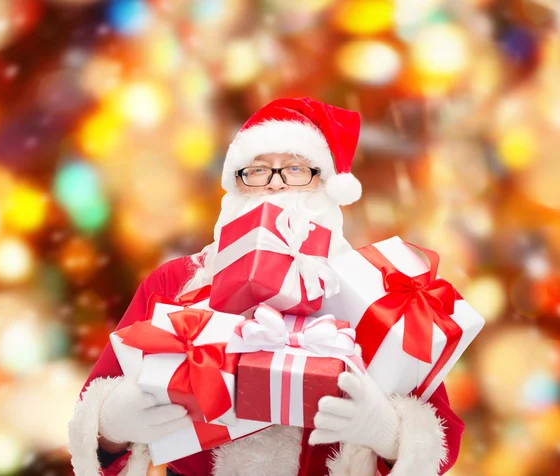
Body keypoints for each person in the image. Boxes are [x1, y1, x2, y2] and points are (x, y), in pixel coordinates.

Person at [68, 97, 465, 476]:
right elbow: (93, 412)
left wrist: (388, 432)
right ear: (237, 186)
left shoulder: (375, 295)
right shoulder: (176, 282)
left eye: (296, 168)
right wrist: (113, 425)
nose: (276, 185)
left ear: (326, 185)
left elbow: (441, 440)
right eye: (258, 170)